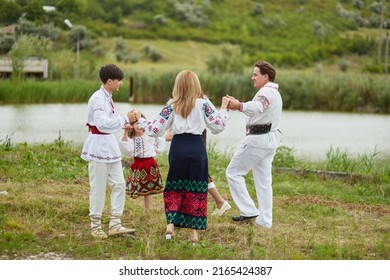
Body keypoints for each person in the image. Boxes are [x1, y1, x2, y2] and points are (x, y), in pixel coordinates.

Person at [131, 70, 230, 242]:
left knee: (175, 186)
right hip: (197, 147)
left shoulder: (171, 106)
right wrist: (224, 109)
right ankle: (193, 233)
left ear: (177, 86)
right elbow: (218, 126)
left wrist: (140, 121)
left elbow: (155, 130)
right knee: (196, 188)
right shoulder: (204, 104)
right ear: (196, 86)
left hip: (178, 148)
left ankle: (171, 223)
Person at [225, 60, 283, 229]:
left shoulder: (266, 92)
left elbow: (257, 107)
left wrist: (239, 106)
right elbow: (259, 109)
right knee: (264, 182)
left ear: (265, 76)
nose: (252, 77)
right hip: (269, 141)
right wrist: (240, 104)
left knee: (233, 172)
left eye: (255, 74)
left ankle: (248, 210)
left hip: (258, 141)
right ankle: (264, 221)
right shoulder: (273, 93)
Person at [81, 64, 136, 238]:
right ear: (110, 81)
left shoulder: (108, 97)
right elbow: (101, 123)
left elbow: (109, 123)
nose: (121, 83)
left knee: (119, 184)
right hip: (98, 145)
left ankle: (115, 223)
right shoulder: (97, 98)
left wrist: (122, 124)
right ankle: (95, 226)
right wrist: (125, 118)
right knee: (98, 187)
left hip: (109, 145)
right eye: (119, 80)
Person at [118, 113, 167, 212]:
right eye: (136, 123)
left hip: (149, 164)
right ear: (132, 125)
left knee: (148, 189)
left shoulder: (149, 135)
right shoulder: (131, 139)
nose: (139, 125)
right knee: (138, 186)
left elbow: (158, 142)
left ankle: (147, 210)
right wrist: (126, 132)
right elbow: (126, 147)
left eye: (141, 122)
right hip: (137, 164)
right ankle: (122, 207)